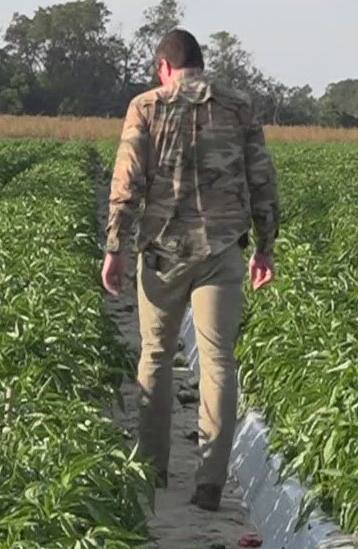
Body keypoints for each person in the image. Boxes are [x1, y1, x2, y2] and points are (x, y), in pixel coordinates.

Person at [102, 28, 278, 512]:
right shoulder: (239, 107)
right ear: (200, 64)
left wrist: (114, 247)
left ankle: (152, 469)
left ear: (163, 67)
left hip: (162, 252)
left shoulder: (146, 107)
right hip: (221, 252)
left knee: (155, 356)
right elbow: (261, 177)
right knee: (218, 360)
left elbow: (127, 181)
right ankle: (209, 483)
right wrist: (266, 246)